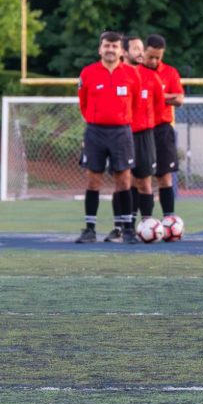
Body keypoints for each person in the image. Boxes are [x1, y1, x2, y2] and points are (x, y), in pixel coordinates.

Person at [75, 31, 140, 244]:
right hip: (95, 132)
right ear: (100, 49)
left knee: (123, 180)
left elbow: (136, 105)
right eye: (106, 46)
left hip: (121, 132)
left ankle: (128, 229)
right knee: (93, 180)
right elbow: (83, 103)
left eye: (114, 46)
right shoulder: (88, 73)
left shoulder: (132, 74)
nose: (110, 50)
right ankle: (90, 229)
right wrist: (96, 120)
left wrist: (120, 119)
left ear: (122, 51)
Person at [120, 35, 163, 237]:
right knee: (124, 181)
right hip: (122, 133)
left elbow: (157, 107)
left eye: (141, 48)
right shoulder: (117, 75)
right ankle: (123, 226)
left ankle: (147, 224)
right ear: (125, 52)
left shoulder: (151, 77)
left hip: (144, 135)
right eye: (135, 48)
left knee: (144, 182)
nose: (139, 52)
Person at [141, 34, 183, 218]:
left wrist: (156, 96)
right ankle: (146, 220)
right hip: (141, 131)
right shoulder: (134, 72)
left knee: (165, 177)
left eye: (158, 57)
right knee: (142, 179)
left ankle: (169, 219)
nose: (154, 60)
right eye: (151, 56)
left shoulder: (170, 72)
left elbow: (179, 99)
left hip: (163, 129)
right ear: (143, 51)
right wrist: (165, 96)